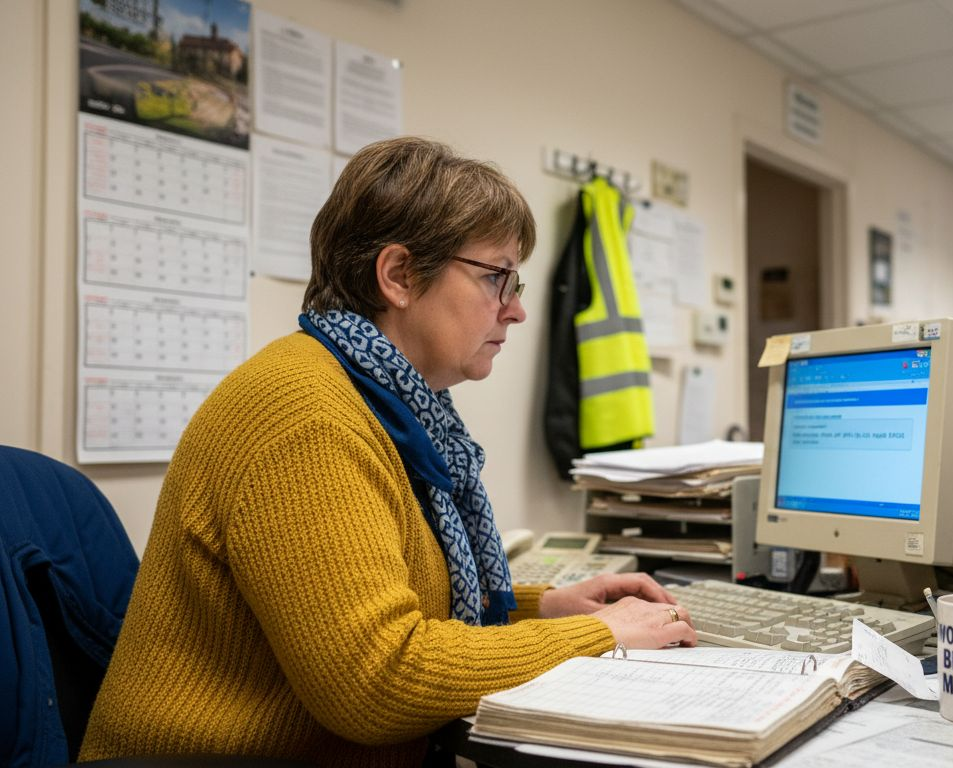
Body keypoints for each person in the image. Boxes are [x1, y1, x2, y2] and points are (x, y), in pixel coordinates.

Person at [80, 137, 695, 766]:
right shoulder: (303, 414)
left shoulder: (383, 399)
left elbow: (390, 602)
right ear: (398, 275)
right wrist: (593, 634)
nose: (517, 309)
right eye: (495, 277)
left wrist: (536, 610)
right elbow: (377, 679)